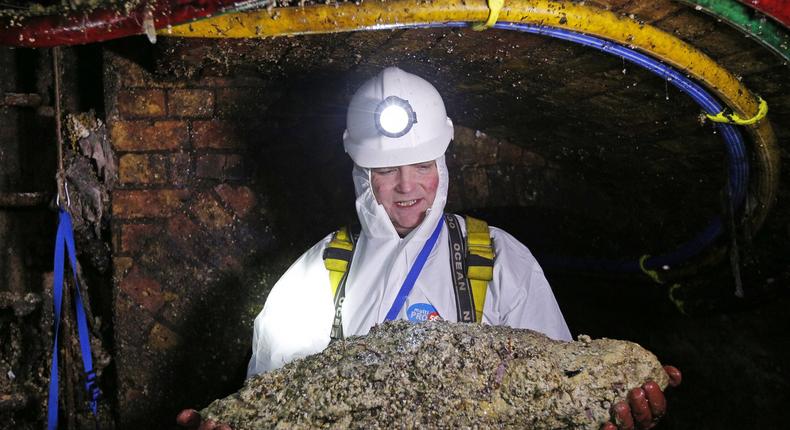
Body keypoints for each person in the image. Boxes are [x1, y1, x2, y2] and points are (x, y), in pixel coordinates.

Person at [178, 67, 681, 430]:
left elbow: (559, 394)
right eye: (386, 170)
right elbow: (270, 400)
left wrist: (608, 412)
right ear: (361, 174)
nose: (406, 187)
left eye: (422, 165)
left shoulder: (499, 260)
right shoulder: (317, 275)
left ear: (443, 164)